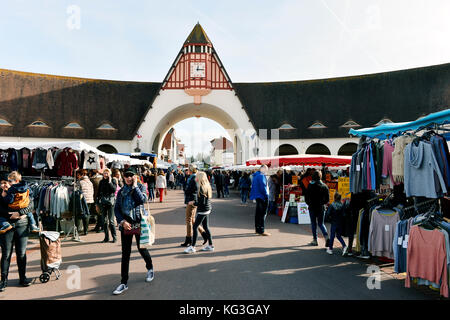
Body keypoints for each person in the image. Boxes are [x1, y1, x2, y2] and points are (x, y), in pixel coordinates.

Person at [112, 167, 154, 295]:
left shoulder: (140, 187)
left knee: (142, 248)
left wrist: (135, 186)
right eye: (127, 176)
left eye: (131, 176)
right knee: (125, 253)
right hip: (126, 224)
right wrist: (122, 221)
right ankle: (123, 282)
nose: (129, 178)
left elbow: (141, 200)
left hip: (139, 222)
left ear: (135, 176)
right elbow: (117, 209)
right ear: (123, 177)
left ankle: (150, 268)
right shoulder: (121, 191)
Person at [0, 175, 34, 291]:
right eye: (2, 183)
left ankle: (22, 278)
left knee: (21, 253)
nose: (5, 184)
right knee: (6, 254)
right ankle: (3, 280)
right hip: (6, 226)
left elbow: (31, 205)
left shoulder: (21, 190)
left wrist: (19, 213)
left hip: (22, 224)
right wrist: (10, 215)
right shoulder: (2, 194)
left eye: (7, 182)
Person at [184, 171, 214, 253]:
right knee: (206, 227)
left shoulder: (201, 188)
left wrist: (193, 202)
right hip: (207, 209)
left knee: (195, 227)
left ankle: (193, 247)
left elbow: (202, 202)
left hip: (203, 210)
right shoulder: (206, 186)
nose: (195, 178)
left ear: (200, 178)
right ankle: (210, 245)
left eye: (197, 177)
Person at [181, 164, 208, 247]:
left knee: (189, 220)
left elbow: (190, 189)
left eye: (188, 169)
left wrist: (186, 189)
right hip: (193, 199)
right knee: (192, 220)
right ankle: (204, 234)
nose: (187, 170)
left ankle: (189, 239)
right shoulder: (195, 177)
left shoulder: (192, 177)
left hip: (191, 200)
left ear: (190, 169)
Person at [305, 171, 330, 247]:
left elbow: (306, 197)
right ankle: (326, 237)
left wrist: (309, 203)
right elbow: (327, 199)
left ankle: (315, 240)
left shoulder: (310, 185)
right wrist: (322, 203)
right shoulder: (324, 186)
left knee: (313, 223)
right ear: (320, 176)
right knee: (321, 223)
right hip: (321, 207)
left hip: (312, 207)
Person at [97, 169, 117, 243]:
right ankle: (106, 237)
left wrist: (109, 182)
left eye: (107, 173)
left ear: (109, 174)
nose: (105, 174)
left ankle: (114, 237)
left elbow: (114, 190)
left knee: (111, 221)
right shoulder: (101, 182)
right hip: (103, 202)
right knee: (104, 221)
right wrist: (97, 203)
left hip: (111, 203)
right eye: (104, 173)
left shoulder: (113, 181)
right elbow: (98, 193)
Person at [250, 165, 271, 236]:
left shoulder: (256, 175)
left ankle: (257, 229)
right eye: (266, 169)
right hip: (262, 196)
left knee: (258, 214)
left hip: (257, 196)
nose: (266, 171)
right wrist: (266, 195)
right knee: (262, 214)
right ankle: (261, 230)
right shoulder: (261, 176)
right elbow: (263, 187)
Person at [76, 169, 94, 235]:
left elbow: (77, 192)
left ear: (82, 175)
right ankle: (85, 230)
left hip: (83, 200)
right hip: (90, 200)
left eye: (78, 175)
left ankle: (77, 230)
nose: (77, 176)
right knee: (87, 214)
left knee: (79, 214)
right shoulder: (90, 181)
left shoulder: (80, 182)